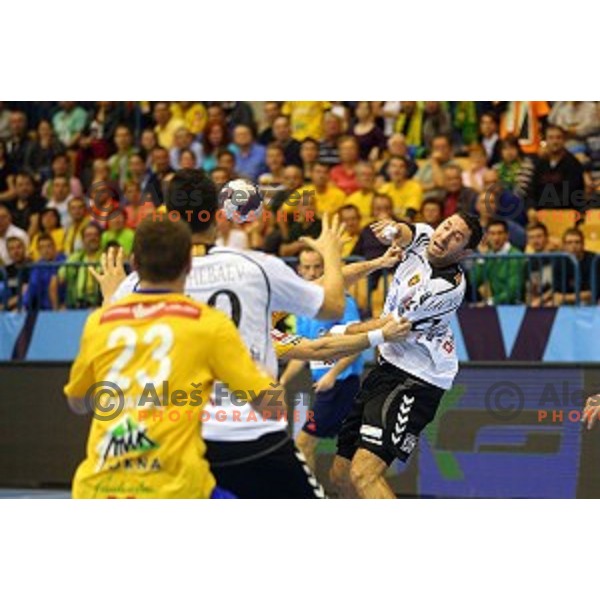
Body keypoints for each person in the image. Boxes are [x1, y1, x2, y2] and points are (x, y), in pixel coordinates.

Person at [108, 168, 347, 499]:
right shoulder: (257, 266)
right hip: (252, 433)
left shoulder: (139, 282)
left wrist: (111, 294)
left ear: (169, 216)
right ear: (219, 216)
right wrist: (331, 252)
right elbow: (333, 306)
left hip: (175, 437)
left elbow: (114, 344)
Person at [64, 219, 284, 499]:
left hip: (96, 488)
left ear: (134, 263)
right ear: (188, 266)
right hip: (174, 488)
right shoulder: (208, 324)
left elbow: (77, 403)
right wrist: (261, 369)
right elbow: (271, 407)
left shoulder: (99, 322)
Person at [330, 211, 483, 499]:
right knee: (340, 476)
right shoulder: (426, 234)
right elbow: (405, 232)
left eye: (456, 237)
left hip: (417, 377)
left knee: (364, 474)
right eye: (446, 226)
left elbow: (389, 326)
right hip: (388, 365)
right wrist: (391, 230)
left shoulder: (445, 287)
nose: (444, 236)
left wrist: (338, 335)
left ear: (465, 252)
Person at [280, 248, 364, 472]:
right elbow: (302, 353)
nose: (312, 272)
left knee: (303, 443)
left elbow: (356, 345)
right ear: (299, 270)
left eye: (318, 266)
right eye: (307, 267)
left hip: (342, 384)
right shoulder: (301, 309)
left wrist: (332, 375)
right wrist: (281, 382)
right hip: (326, 386)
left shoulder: (342, 302)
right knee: (345, 460)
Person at [531, 125, 585, 212]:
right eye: (551, 138)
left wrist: (547, 210)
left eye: (558, 138)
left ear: (564, 140)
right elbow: (532, 190)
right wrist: (531, 208)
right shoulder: (540, 164)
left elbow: (569, 195)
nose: (555, 141)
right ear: (546, 140)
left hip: (566, 212)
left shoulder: (573, 164)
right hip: (541, 212)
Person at [471, 219, 525, 305]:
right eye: (492, 234)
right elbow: (474, 281)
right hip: (496, 307)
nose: (496, 238)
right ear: (487, 236)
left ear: (507, 235)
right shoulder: (487, 255)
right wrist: (481, 257)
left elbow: (513, 290)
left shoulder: (516, 256)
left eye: (500, 233)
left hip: (516, 306)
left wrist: (490, 302)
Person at [55, 222, 103, 309]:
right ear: (83, 239)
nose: (92, 238)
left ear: (100, 238)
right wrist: (57, 307)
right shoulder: (76, 257)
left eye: (95, 235)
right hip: (77, 306)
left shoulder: (106, 256)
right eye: (88, 235)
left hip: (100, 306)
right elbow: (57, 280)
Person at [553, 227, 597, 305]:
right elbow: (556, 294)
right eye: (569, 242)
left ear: (583, 244)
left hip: (592, 302)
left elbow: (592, 293)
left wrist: (564, 297)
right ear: (564, 245)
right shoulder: (559, 262)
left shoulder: (594, 260)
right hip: (567, 303)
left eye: (577, 242)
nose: (574, 246)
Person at [23, 234, 65, 310]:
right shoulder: (38, 266)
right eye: (42, 247)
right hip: (42, 310)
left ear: (54, 247)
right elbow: (32, 288)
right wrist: (24, 306)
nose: (46, 250)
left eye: (48, 246)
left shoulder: (64, 261)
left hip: (64, 307)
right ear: (38, 250)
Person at [378, 156, 423, 221]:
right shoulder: (384, 188)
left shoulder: (414, 187)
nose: (397, 170)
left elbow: (409, 217)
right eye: (393, 166)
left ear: (406, 171)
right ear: (388, 170)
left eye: (401, 167)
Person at [414, 134, 456, 201]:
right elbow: (414, 186)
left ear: (450, 149)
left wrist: (434, 162)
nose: (440, 150)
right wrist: (433, 185)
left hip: (440, 203)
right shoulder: (427, 165)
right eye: (437, 148)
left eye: (443, 147)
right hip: (422, 202)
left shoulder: (453, 165)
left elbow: (440, 183)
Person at [0, 236, 30, 310]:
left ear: (24, 248)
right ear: (8, 252)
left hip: (25, 307)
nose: (16, 251)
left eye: (19, 247)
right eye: (11, 249)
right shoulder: (5, 270)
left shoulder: (31, 267)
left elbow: (25, 293)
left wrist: (4, 305)